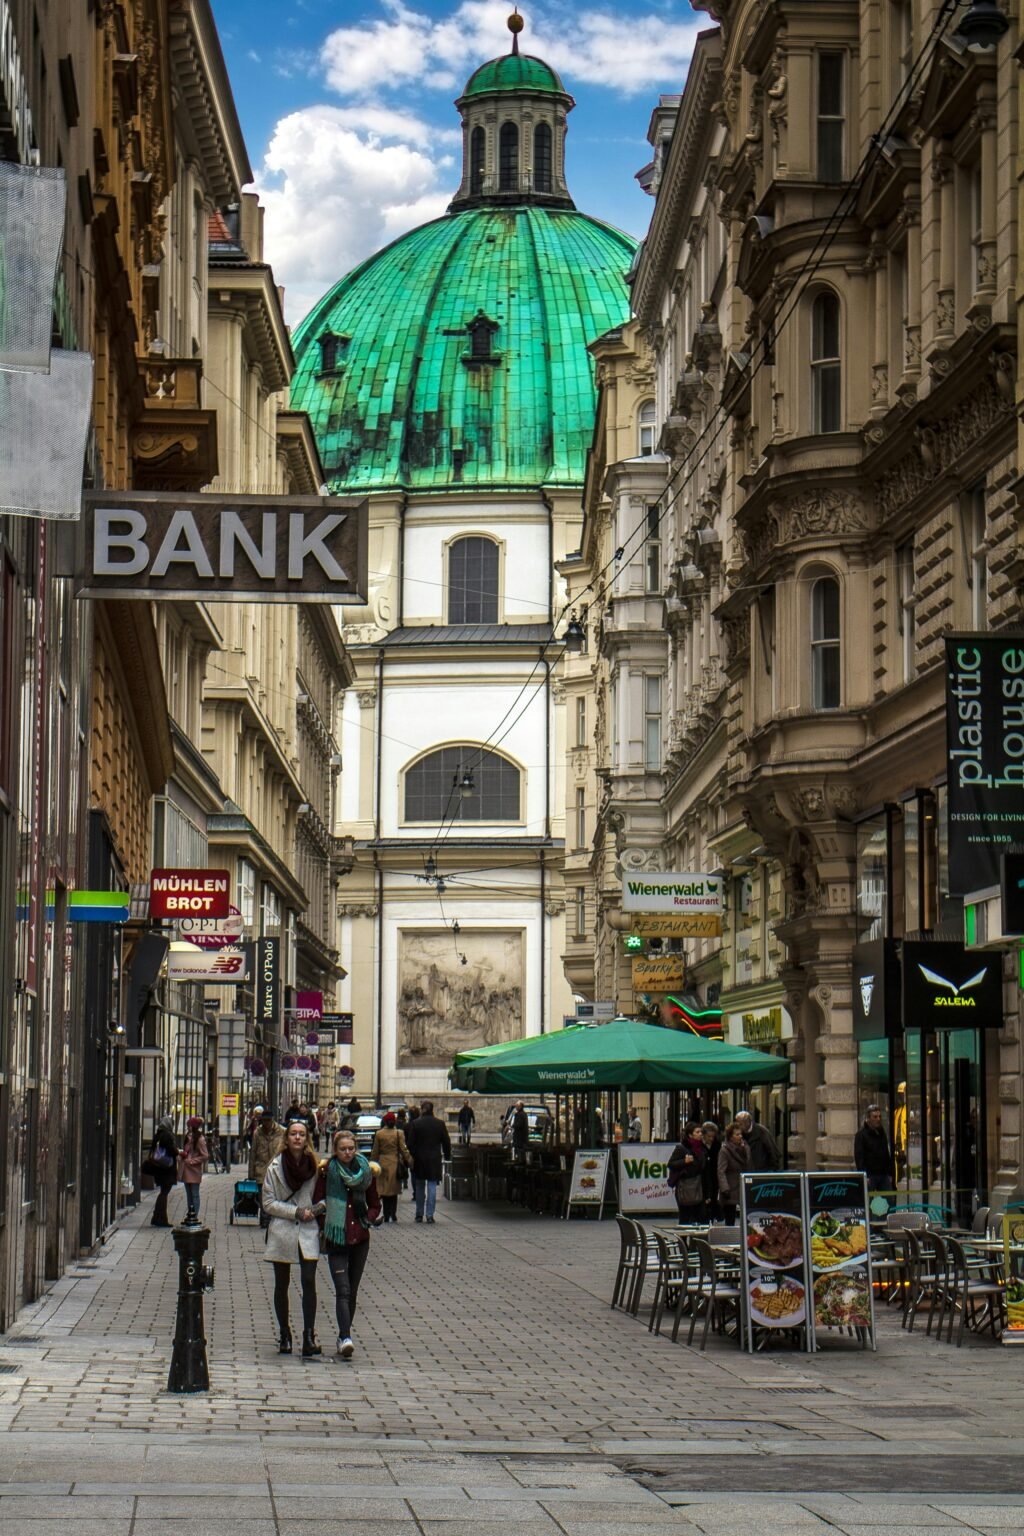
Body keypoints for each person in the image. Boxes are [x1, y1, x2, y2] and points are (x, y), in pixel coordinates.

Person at [312, 1128, 381, 1358]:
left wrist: (367, 1219)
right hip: (337, 1238)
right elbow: (318, 1201)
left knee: (352, 1290)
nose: (348, 1153)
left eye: (351, 1148)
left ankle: (344, 1334)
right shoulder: (327, 1172)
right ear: (335, 1150)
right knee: (343, 1289)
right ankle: (345, 1336)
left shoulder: (366, 1172)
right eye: (343, 1149)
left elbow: (375, 1204)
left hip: (360, 1239)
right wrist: (325, 1223)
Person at [261, 1119, 322, 1356]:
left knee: (309, 1281)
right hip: (283, 1229)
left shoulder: (315, 1166)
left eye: (301, 1134)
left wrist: (316, 1210)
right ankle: (284, 1334)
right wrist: (295, 1212)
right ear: (286, 1139)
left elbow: (323, 1195)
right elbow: (268, 1203)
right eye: (293, 1134)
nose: (297, 1137)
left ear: (307, 1139)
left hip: (307, 1229)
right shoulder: (275, 1167)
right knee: (282, 1283)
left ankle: (309, 1336)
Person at [405, 1099, 451, 1224]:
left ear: (422, 1110)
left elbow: (410, 1143)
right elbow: (446, 1142)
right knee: (432, 1186)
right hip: (434, 1158)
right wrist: (447, 1156)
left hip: (419, 1159)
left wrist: (413, 1155)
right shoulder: (439, 1124)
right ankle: (430, 1215)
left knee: (420, 1186)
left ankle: (419, 1214)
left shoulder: (416, 1124)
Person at [371, 1112, 411, 1223]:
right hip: (395, 1163)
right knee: (394, 1190)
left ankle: (386, 1213)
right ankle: (393, 1213)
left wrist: (372, 1164)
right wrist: (409, 1160)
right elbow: (403, 1149)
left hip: (383, 1163)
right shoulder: (399, 1133)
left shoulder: (379, 1134)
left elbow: (375, 1151)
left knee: (384, 1191)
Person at [248, 1109, 284, 1227]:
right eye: (264, 1121)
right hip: (261, 1169)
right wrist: (251, 1173)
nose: (266, 1123)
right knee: (262, 1196)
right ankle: (264, 1219)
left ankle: (272, 1218)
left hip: (276, 1168)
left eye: (268, 1120)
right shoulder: (257, 1133)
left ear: (272, 1120)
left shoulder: (281, 1131)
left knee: (274, 1194)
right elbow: (253, 1153)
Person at [668, 1120, 707, 1225]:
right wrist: (684, 1161)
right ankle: (683, 1235)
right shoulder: (682, 1148)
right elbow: (671, 1164)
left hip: (698, 1186)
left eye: (701, 1132)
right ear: (690, 1135)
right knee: (685, 1216)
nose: (700, 1134)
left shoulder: (702, 1149)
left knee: (701, 1216)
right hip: (685, 1187)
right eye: (697, 1132)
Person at [147, 1114, 178, 1228]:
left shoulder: (158, 1134)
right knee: (164, 1193)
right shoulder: (166, 1135)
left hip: (159, 1167)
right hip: (166, 1167)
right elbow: (171, 1150)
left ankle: (157, 1216)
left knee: (163, 1192)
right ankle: (161, 1218)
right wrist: (177, 1151)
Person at [854, 1104, 892, 1192]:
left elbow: (886, 1153)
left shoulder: (881, 1133)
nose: (878, 1119)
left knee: (888, 1198)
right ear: (868, 1119)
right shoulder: (861, 1135)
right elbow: (859, 1157)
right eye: (875, 1117)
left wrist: (889, 1173)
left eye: (879, 1116)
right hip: (870, 1175)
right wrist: (864, 1175)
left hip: (883, 1174)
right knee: (869, 1198)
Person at [717, 1121, 750, 1223]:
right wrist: (725, 1188)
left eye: (741, 1134)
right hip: (731, 1187)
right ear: (731, 1137)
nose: (740, 1136)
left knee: (747, 1216)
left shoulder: (745, 1147)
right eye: (737, 1134)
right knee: (730, 1218)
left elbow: (749, 1164)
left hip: (743, 1185)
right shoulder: (725, 1150)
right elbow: (721, 1171)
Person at [178, 1116, 208, 1223]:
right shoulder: (188, 1137)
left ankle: (194, 1215)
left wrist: (192, 1161)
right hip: (186, 1169)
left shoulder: (200, 1139)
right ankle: (190, 1213)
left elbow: (205, 1155)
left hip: (194, 1170)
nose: (188, 1127)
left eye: (189, 1126)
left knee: (194, 1193)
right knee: (189, 1194)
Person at [701, 1121, 723, 1220]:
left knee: (713, 1198)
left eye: (713, 1136)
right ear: (703, 1135)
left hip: (714, 1176)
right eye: (709, 1136)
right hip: (703, 1177)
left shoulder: (717, 1145)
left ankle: (712, 1217)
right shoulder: (699, 1145)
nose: (711, 1139)